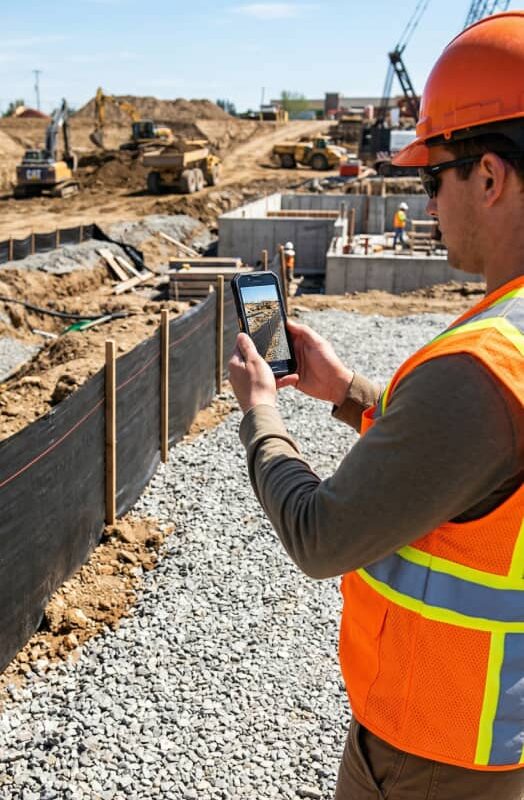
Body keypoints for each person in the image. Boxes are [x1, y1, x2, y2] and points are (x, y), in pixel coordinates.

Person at [229, 12, 524, 800]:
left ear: (489, 178)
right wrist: (351, 393)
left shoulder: (481, 365)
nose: (426, 204)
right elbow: (470, 468)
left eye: (433, 179)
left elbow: (323, 536)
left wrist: (263, 413)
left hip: (440, 753)